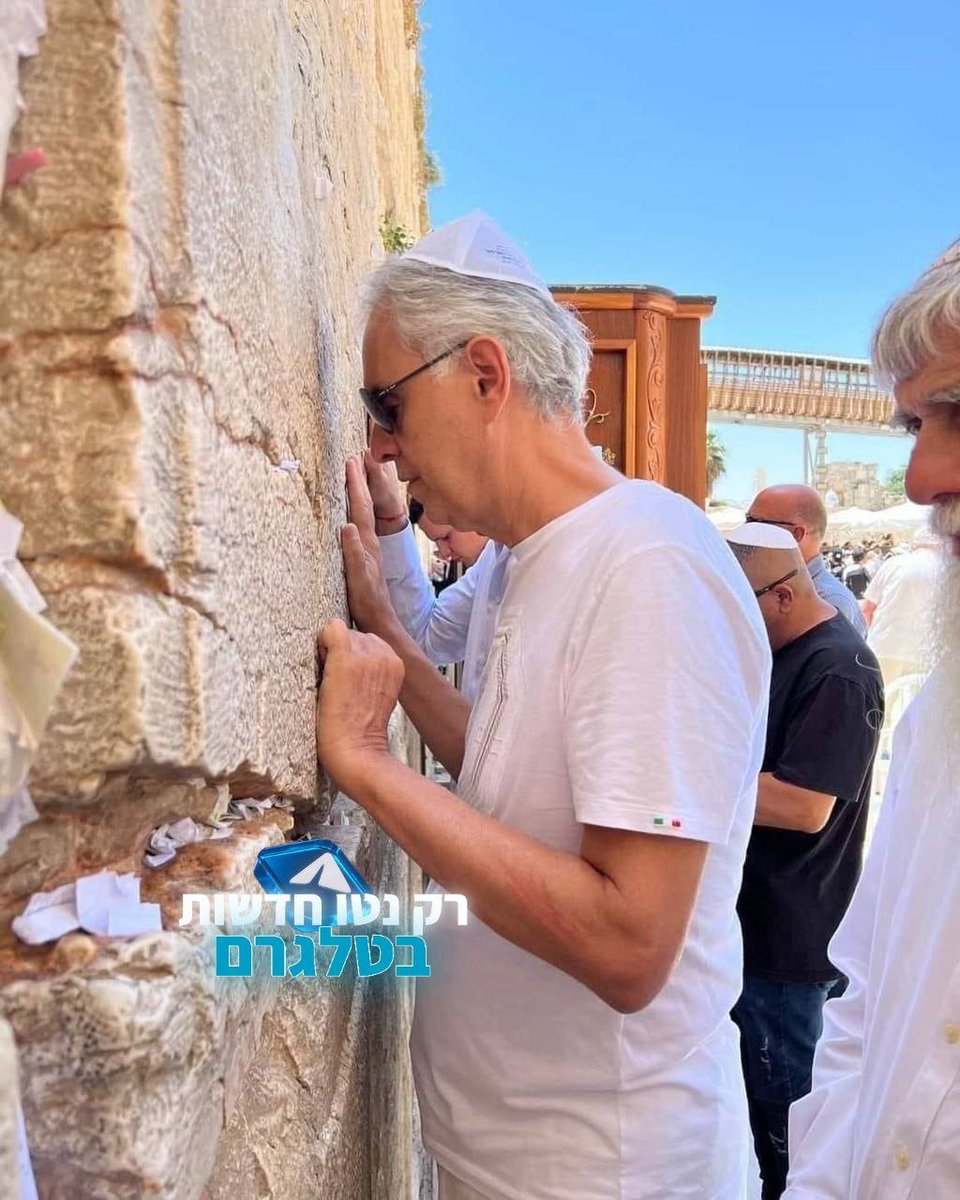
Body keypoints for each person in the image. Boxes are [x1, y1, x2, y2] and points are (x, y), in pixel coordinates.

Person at [315, 212, 771, 1199]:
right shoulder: (526, 559)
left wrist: (368, 768)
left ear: (485, 374)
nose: (383, 446)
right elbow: (512, 767)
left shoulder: (646, 566)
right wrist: (390, 643)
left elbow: (628, 943)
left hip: (609, 1170)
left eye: (388, 404)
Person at [783, 244, 960, 1197]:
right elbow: (865, 1014)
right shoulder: (943, 723)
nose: (924, 475)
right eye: (913, 424)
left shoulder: (844, 664)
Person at [725, 524, 883, 1200]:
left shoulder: (839, 670)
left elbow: (803, 805)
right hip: (752, 930)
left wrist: (686, 763)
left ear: (783, 595)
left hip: (790, 944)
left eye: (741, 606)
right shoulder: (781, 649)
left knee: (786, 1129)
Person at [361, 452, 504, 703]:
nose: (446, 553)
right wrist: (392, 519)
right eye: (437, 543)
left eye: (446, 537)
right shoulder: (491, 566)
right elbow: (428, 635)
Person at [745, 485, 867, 634]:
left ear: (796, 534)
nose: (745, 530)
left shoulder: (829, 601)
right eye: (747, 520)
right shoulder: (772, 584)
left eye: (755, 522)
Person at [861, 527, 942, 690]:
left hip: (883, 647)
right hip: (923, 654)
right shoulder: (947, 569)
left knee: (879, 708)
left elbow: (867, 608)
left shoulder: (894, 564)